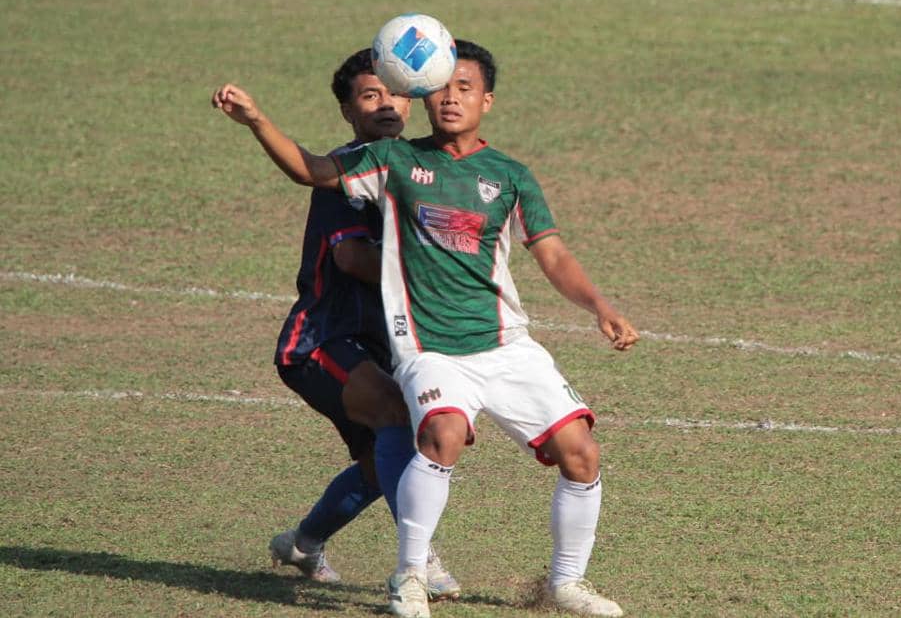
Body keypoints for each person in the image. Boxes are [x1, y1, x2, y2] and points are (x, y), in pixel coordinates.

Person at [213, 39, 638, 618]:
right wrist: (258, 121)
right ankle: (410, 577)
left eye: (465, 88)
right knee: (439, 435)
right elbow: (310, 170)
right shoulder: (393, 161)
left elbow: (554, 255)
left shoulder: (510, 175)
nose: (451, 98)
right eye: (440, 88)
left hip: (507, 346)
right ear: (424, 95)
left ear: (487, 100)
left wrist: (599, 306)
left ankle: (567, 584)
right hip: (429, 348)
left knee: (581, 452)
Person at [263, 48, 459, 600]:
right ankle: (419, 564)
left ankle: (302, 543)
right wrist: (437, 263)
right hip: (320, 339)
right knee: (398, 418)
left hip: (382, 343)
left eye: (396, 93)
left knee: (383, 463)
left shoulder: (417, 169)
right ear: (349, 112)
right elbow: (352, 260)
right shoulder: (347, 169)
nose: (387, 104)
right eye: (370, 96)